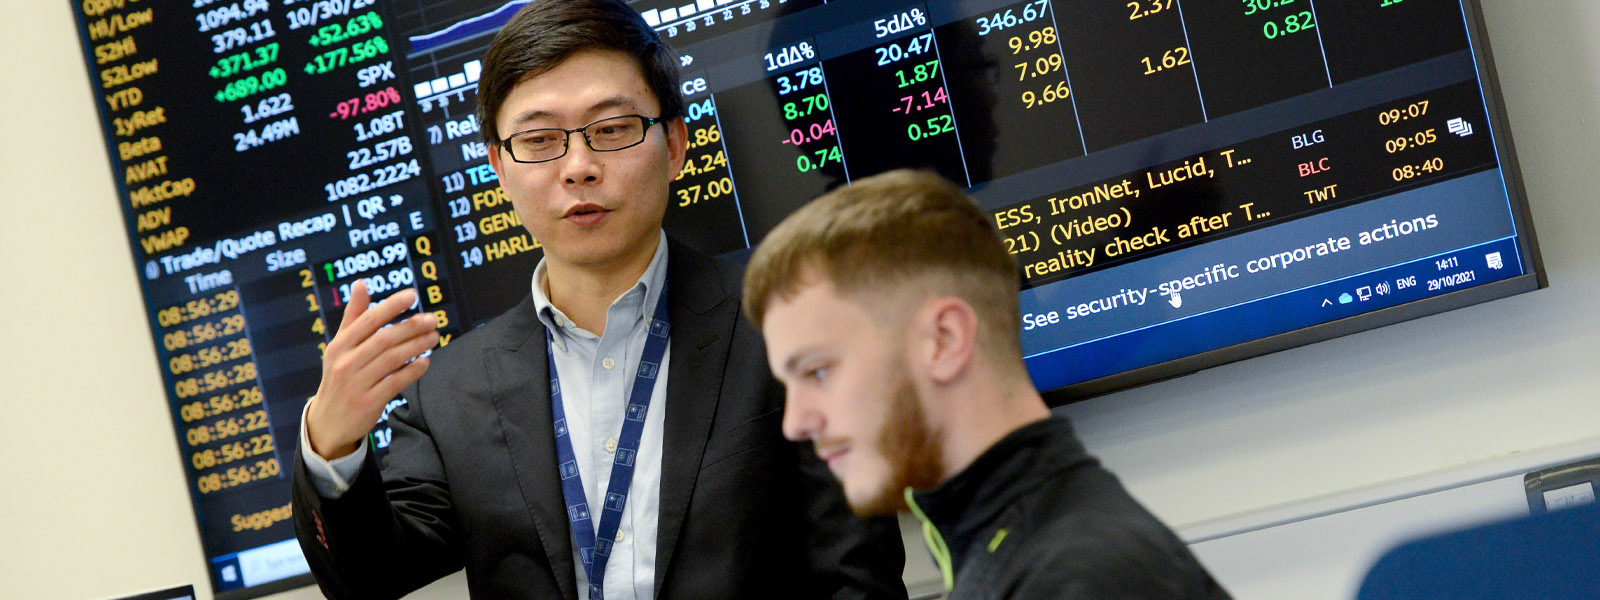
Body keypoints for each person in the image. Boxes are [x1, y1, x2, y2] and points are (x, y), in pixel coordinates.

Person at [290, 2, 907, 599]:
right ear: (499, 171)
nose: (578, 166)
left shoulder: (789, 333)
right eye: (538, 140)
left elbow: (858, 580)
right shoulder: (448, 391)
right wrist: (334, 444)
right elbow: (365, 580)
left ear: (674, 147)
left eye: (611, 129)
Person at [743, 169, 1231, 599]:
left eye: (818, 372)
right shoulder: (1007, 550)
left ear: (944, 339)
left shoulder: (1084, 575)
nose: (795, 422)